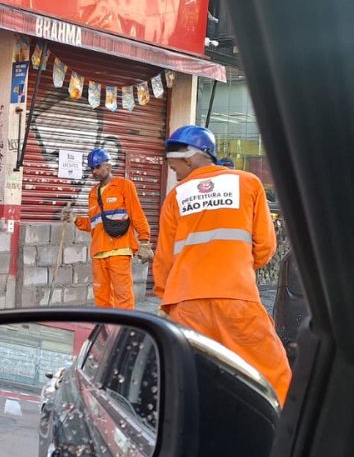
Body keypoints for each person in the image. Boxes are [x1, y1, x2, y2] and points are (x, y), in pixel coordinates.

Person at [153, 125, 292, 403]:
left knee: (195, 380)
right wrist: (237, 266)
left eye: (173, 165)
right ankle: (287, 429)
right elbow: (266, 247)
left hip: (185, 303)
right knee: (272, 377)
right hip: (236, 297)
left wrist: (166, 299)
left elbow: (164, 260)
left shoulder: (176, 197)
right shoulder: (248, 183)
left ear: (189, 158)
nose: (174, 172)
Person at [72, 147, 152, 309]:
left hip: (119, 251)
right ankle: (105, 324)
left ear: (108, 166)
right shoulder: (93, 193)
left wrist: (144, 240)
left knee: (123, 296)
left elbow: (136, 213)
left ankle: (126, 324)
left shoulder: (124, 185)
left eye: (97, 167)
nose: (94, 171)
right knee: (101, 298)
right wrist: (75, 219)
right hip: (98, 252)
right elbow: (94, 224)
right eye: (91, 168)